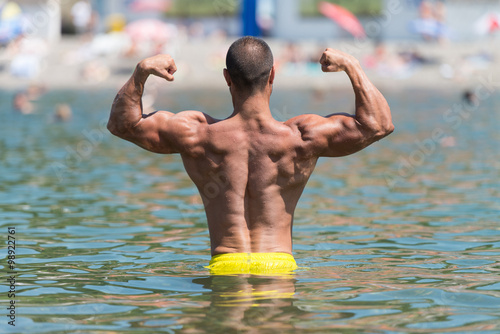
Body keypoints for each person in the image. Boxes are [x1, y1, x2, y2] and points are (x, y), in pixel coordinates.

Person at [107, 37, 394, 275]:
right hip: (278, 266)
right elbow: (378, 125)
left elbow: (122, 125)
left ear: (226, 78)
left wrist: (141, 71)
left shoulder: (196, 134)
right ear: (272, 76)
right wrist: (352, 66)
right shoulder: (301, 137)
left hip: (225, 266)